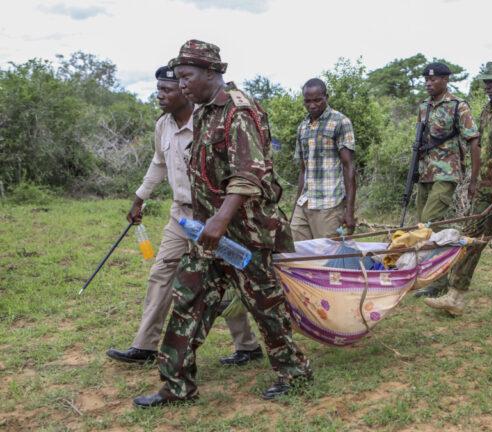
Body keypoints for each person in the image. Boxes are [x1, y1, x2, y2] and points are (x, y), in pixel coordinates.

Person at [133, 40, 311, 407]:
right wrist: (203, 224)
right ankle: (176, 386)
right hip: (209, 234)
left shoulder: (239, 112)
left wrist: (219, 220)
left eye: (187, 77)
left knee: (266, 307)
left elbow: (249, 175)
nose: (182, 85)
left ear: (211, 73)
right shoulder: (202, 113)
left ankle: (294, 372)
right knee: (187, 299)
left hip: (246, 234)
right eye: (179, 78)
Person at [106, 66, 263, 367]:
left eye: (166, 90)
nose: (160, 96)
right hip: (180, 216)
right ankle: (145, 346)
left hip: (214, 216)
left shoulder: (209, 121)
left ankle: (248, 346)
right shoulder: (162, 125)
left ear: (183, 89)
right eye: (158, 90)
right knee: (161, 274)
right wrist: (139, 198)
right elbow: (158, 162)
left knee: (227, 279)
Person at [424, 61, 492, 316]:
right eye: (486, 81)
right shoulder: (486, 110)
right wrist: (474, 181)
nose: (488, 86)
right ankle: (455, 297)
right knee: (471, 240)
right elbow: (481, 149)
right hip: (487, 188)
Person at [411, 62, 480, 298]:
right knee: (425, 224)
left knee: (428, 222)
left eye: (434, 79)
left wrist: (473, 179)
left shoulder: (457, 106)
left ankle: (437, 279)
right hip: (426, 172)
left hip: (447, 172)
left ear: (445, 80)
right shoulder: (423, 107)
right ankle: (433, 276)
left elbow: (473, 140)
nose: (429, 83)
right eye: (426, 80)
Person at [291, 78, 356, 240]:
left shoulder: (340, 122)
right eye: (307, 101)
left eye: (317, 100)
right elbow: (303, 170)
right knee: (295, 251)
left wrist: (349, 211)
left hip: (330, 204)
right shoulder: (302, 127)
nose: (312, 105)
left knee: (327, 258)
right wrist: (295, 206)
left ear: (326, 97)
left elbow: (349, 167)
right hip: (305, 202)